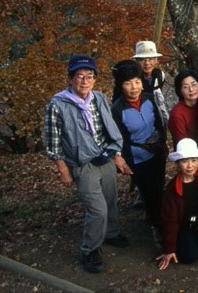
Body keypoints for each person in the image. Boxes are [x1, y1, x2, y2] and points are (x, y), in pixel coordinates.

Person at [43, 54, 132, 273]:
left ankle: (111, 233)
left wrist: (117, 154)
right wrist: (63, 169)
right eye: (79, 76)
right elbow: (53, 142)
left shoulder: (98, 98)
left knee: (111, 200)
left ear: (94, 79)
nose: (84, 81)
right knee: (97, 209)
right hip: (82, 163)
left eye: (89, 76)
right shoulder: (57, 104)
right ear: (71, 78)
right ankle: (89, 249)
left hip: (106, 157)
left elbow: (109, 127)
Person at [111, 60, 168, 233]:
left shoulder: (149, 99)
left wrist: (162, 144)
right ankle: (157, 226)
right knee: (148, 191)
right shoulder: (117, 109)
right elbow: (119, 138)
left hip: (156, 151)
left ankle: (162, 220)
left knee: (159, 186)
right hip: (137, 157)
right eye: (128, 83)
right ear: (121, 86)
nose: (134, 87)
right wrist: (124, 159)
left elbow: (159, 124)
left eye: (137, 81)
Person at [157, 139, 198, 270]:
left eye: (194, 160)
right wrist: (169, 248)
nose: (190, 166)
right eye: (184, 161)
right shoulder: (172, 188)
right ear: (178, 164)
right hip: (186, 226)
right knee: (188, 257)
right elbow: (170, 219)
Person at [168, 70, 198, 150]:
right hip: (189, 153)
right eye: (185, 87)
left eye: (194, 85)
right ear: (180, 91)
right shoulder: (177, 114)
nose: (191, 89)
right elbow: (181, 143)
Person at [133, 40, 169, 126]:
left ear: (156, 60)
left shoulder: (159, 76)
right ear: (137, 61)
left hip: (157, 118)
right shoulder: (133, 80)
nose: (147, 63)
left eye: (151, 59)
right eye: (142, 59)